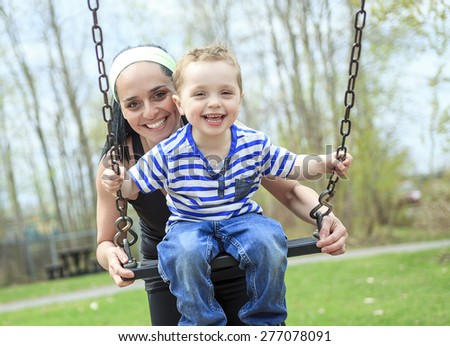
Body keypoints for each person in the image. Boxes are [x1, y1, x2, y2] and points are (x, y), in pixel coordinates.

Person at [100, 44, 352, 326]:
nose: (150, 112)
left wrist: (324, 213)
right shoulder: (119, 160)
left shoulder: (230, 134)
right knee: (186, 251)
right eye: (133, 103)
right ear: (121, 109)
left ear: (175, 97)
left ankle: (264, 320)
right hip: (175, 273)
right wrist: (111, 253)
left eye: (159, 95)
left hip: (241, 259)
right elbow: (106, 237)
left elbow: (291, 185)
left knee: (266, 238)